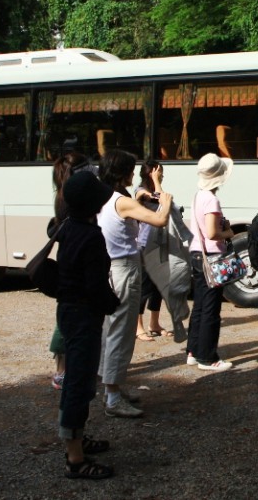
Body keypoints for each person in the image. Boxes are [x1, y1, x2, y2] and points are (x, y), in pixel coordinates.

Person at [97, 150, 173, 417]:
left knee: (110, 328)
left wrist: (138, 198)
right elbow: (161, 219)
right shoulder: (123, 201)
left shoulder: (105, 196)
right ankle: (113, 396)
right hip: (125, 270)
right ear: (121, 173)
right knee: (122, 331)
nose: (133, 174)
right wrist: (163, 194)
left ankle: (111, 388)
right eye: (130, 170)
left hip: (109, 268)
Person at [54, 171, 115, 480]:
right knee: (79, 383)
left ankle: (76, 438)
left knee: (77, 379)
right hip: (83, 314)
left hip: (68, 310)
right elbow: (95, 286)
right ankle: (75, 458)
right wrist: (112, 303)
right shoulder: (90, 236)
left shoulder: (67, 227)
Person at [48, 150, 96, 390]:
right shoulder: (71, 199)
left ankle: (66, 369)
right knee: (67, 322)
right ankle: (61, 372)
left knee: (66, 318)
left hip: (68, 263)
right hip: (73, 267)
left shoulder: (63, 194)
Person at [187, 153, 237, 372]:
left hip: (197, 254)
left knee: (199, 306)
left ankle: (193, 351)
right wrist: (228, 233)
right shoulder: (211, 199)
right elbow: (212, 232)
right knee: (210, 309)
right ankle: (207, 358)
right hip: (211, 257)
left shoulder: (198, 196)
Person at [134, 160, 174, 342]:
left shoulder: (157, 189)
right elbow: (159, 201)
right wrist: (156, 182)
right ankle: (138, 326)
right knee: (143, 286)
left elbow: (166, 206)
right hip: (144, 244)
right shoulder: (140, 191)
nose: (161, 176)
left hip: (160, 243)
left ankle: (154, 323)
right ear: (150, 173)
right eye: (159, 173)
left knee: (159, 286)